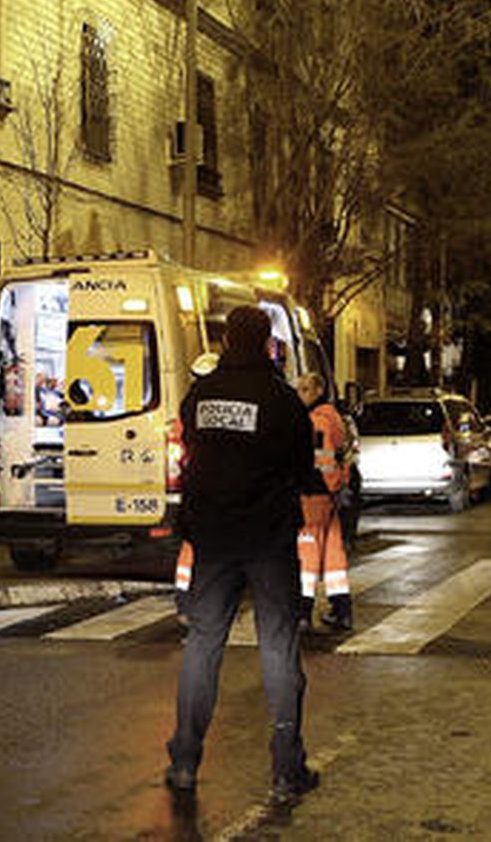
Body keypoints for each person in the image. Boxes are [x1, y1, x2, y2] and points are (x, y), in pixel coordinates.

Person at [165, 305, 319, 804]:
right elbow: (300, 467)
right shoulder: (282, 400)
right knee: (277, 647)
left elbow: (190, 450)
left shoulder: (202, 394)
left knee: (202, 647)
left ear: (227, 339)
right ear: (268, 341)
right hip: (269, 541)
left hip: (213, 540)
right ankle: (284, 768)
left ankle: (185, 761)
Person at [295, 373, 352, 632]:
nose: (300, 394)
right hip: (330, 496)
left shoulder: (316, 421)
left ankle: (302, 613)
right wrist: (340, 487)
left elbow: (323, 460)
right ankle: (342, 612)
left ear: (318, 390)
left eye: (305, 389)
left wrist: (329, 485)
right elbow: (345, 456)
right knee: (333, 555)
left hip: (314, 494)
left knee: (307, 552)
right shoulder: (335, 418)